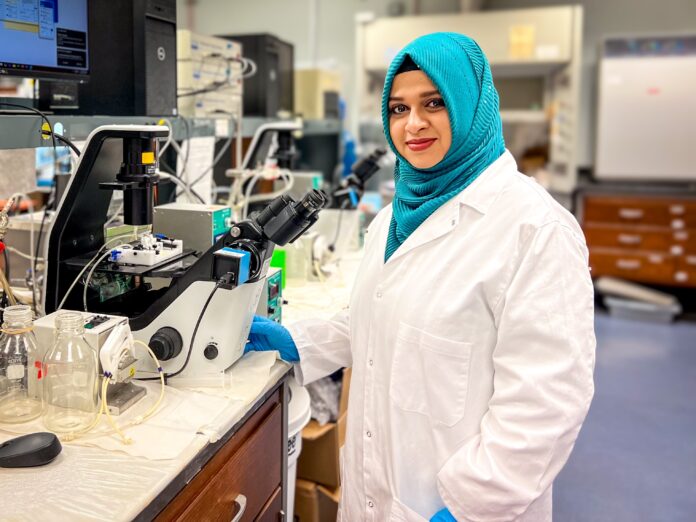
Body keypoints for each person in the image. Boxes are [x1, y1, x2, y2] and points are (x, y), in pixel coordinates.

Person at [247, 32, 596, 522]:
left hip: (461, 505)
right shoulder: (393, 218)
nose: (413, 124)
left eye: (434, 103)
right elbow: (377, 319)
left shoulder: (535, 229)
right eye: (398, 108)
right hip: (376, 494)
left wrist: (469, 506)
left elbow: (546, 405)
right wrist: (296, 342)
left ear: (471, 105)